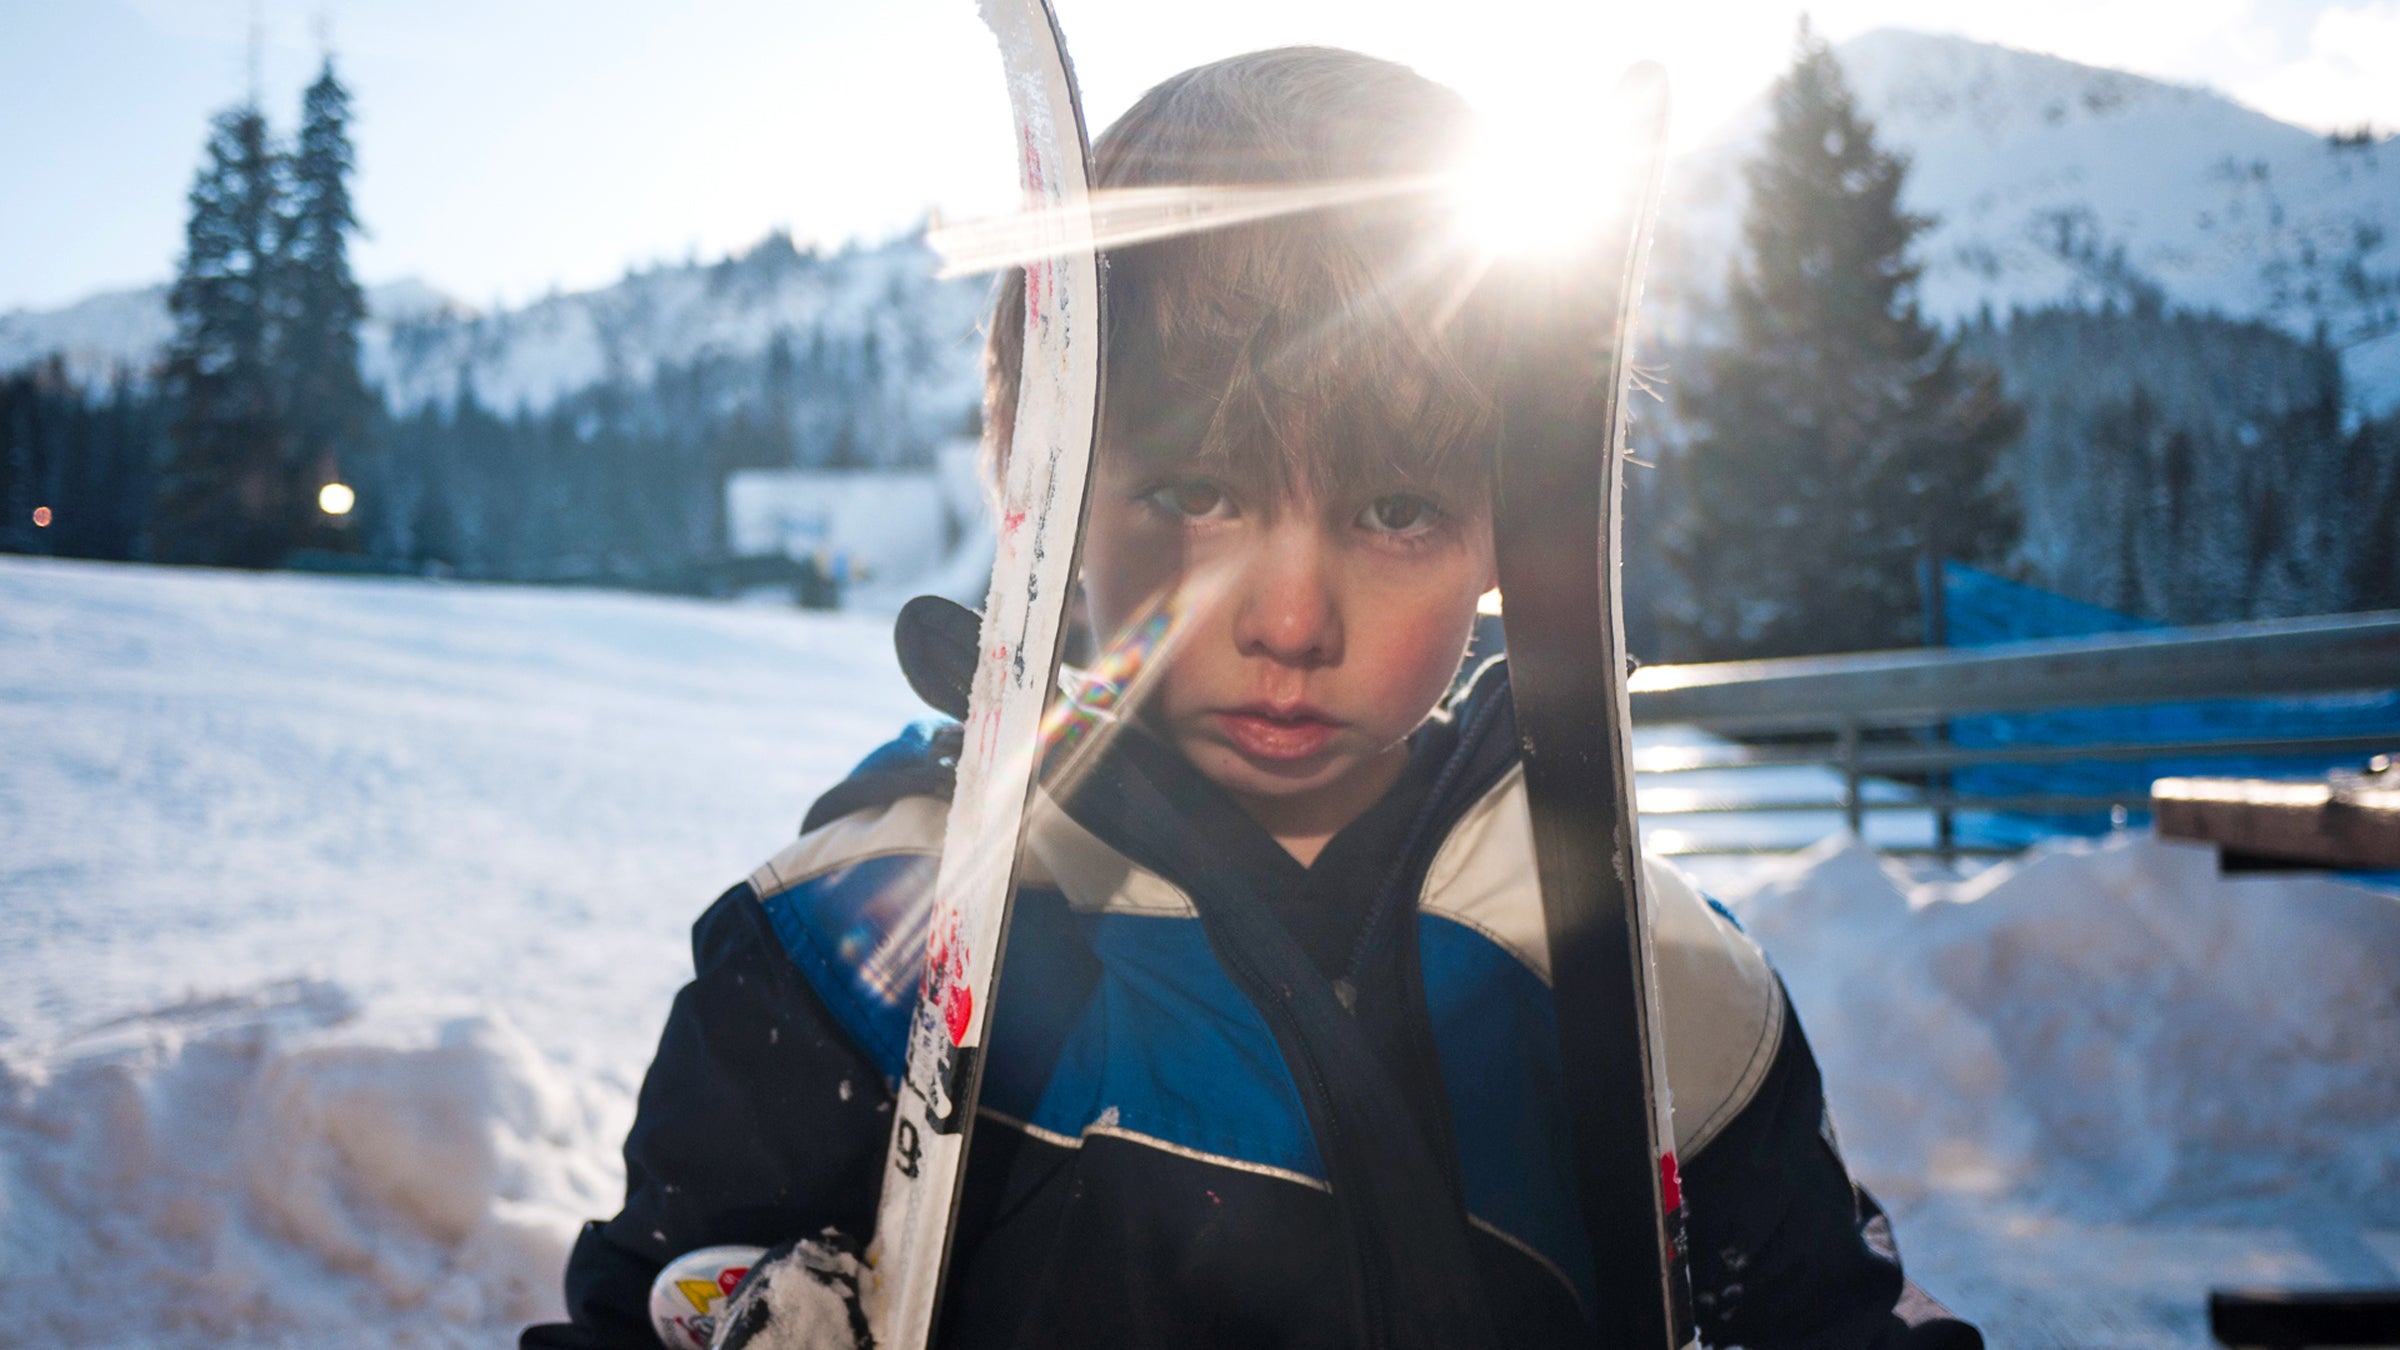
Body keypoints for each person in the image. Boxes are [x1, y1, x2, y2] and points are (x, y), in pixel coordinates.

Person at [524, 47, 1980, 1350]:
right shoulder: (877, 931)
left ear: (1506, 531)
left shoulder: (1656, 988)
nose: (1291, 619)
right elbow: (658, 1294)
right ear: (1052, 493)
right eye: (1197, 493)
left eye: (1397, 508)